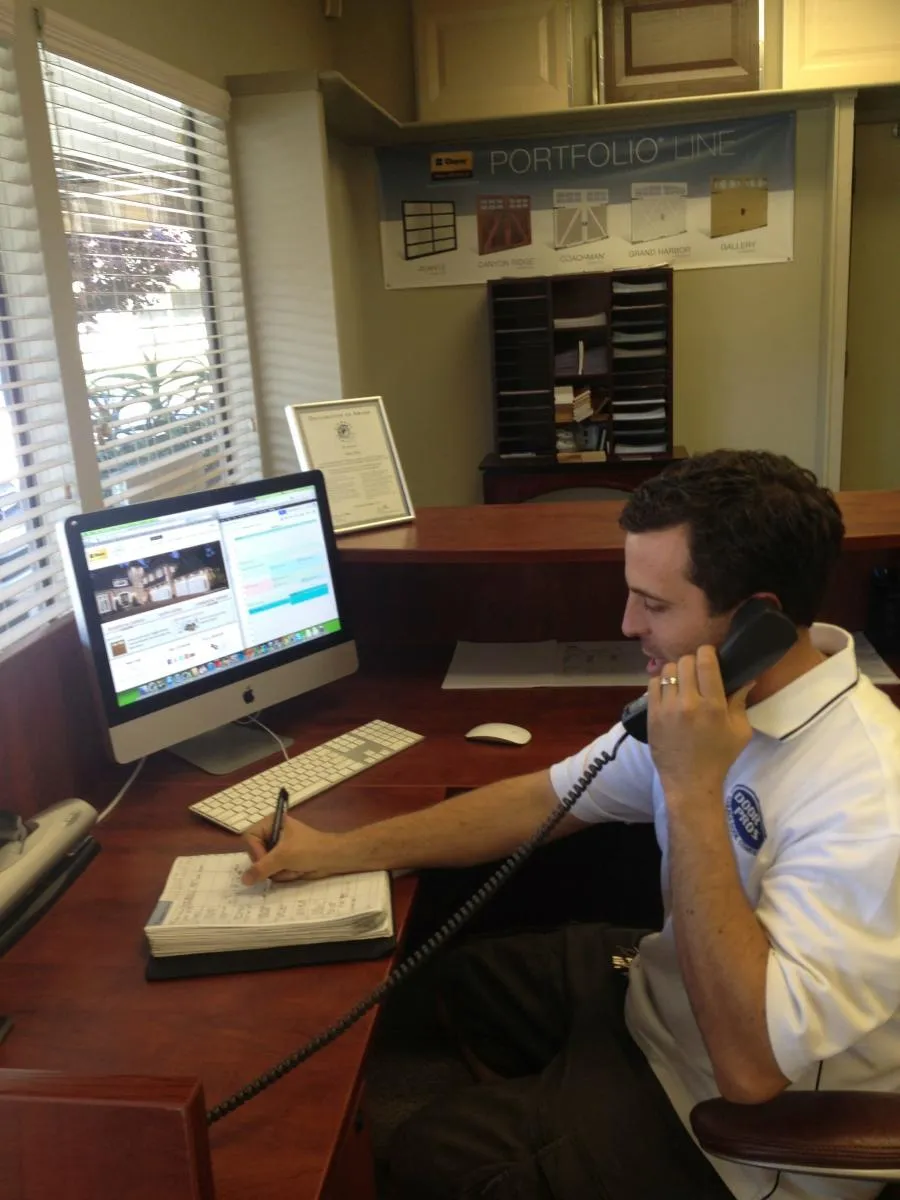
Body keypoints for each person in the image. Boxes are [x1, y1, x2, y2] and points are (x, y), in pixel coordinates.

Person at [242, 450, 900, 1200]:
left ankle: (561, 1112)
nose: (626, 626)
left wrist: (690, 789)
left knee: (427, 1153)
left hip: (737, 1131)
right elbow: (544, 799)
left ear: (758, 622)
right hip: (665, 1000)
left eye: (654, 606)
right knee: (444, 984)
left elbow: (750, 1072)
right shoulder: (712, 700)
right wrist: (336, 851)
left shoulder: (868, 800)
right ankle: (563, 1093)